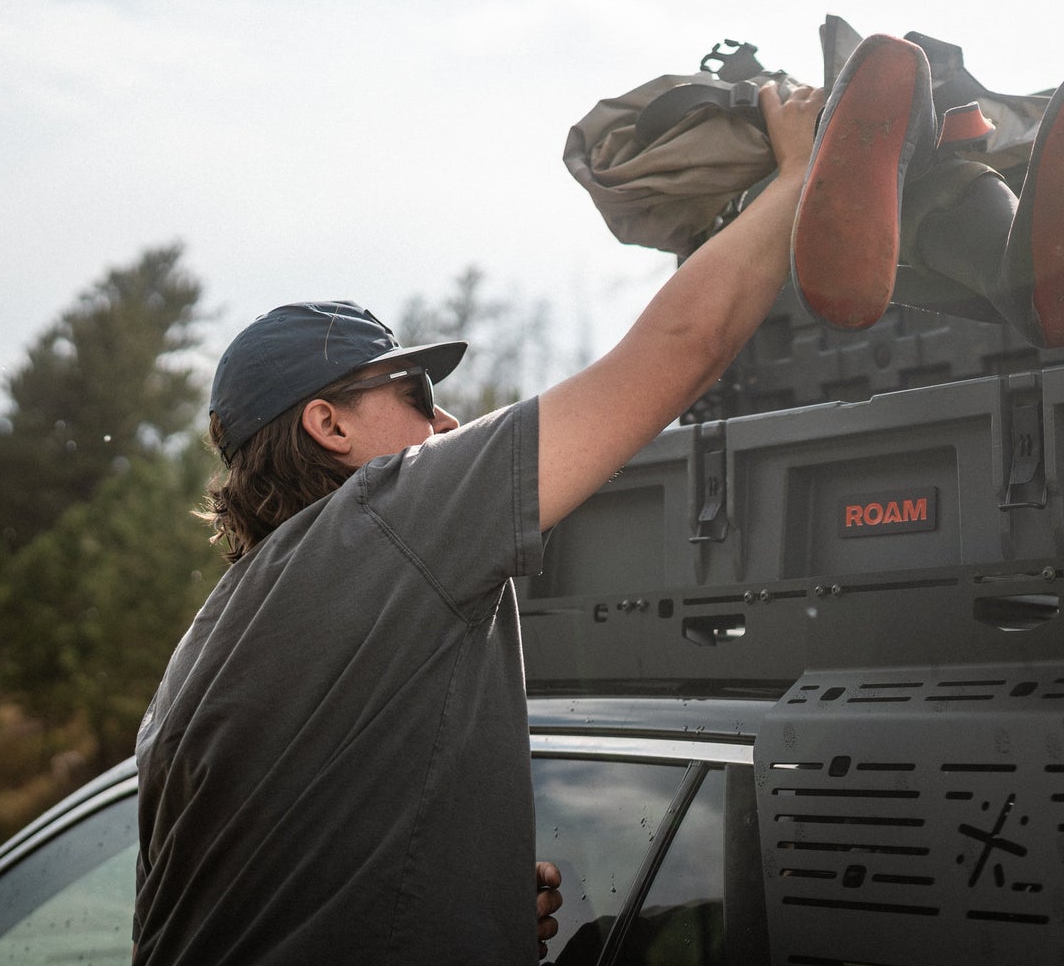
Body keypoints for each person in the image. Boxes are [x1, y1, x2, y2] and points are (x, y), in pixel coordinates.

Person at [133, 80, 827, 965]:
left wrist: (449, 897)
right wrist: (796, 175)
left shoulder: (216, 637)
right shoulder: (386, 522)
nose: (446, 420)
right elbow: (680, 348)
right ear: (328, 425)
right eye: (416, 392)